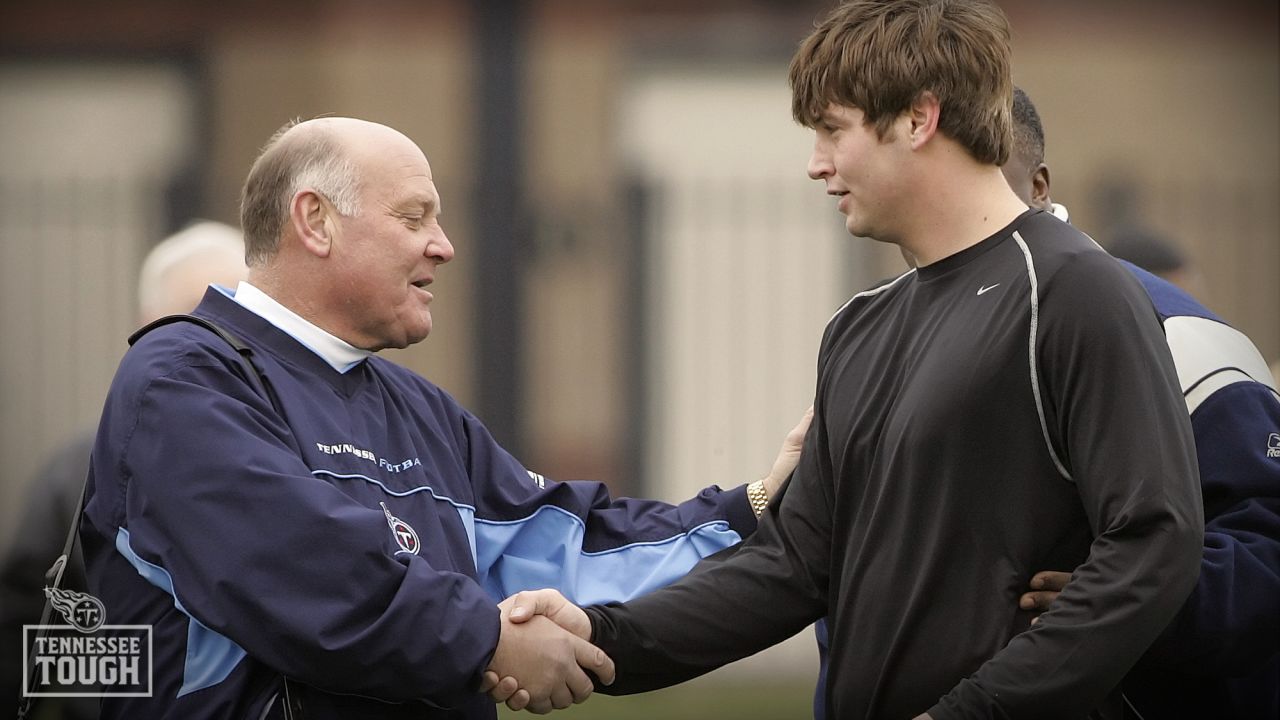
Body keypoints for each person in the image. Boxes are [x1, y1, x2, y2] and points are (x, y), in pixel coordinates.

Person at [496, 2, 1204, 718]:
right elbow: (792, 567)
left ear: (918, 119)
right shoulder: (859, 327)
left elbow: (1154, 541)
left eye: (833, 130)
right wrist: (602, 634)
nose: (815, 165)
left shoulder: (1075, 291)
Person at [78, 116, 802, 720]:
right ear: (315, 220)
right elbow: (305, 568)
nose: (443, 245)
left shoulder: (417, 409)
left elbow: (565, 547)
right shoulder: (182, 378)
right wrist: (490, 638)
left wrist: (758, 506)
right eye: (414, 216)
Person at [1004, 86, 1280, 720]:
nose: (819, 164)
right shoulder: (879, 334)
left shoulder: (1182, 337)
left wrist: (1129, 600)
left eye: (986, 179)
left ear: (1040, 186)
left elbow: (1264, 549)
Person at [1, 220, 249, 720]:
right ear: (144, 325)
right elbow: (25, 636)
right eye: (193, 319)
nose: (219, 341)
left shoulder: (311, 457)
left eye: (238, 317)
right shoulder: (79, 471)